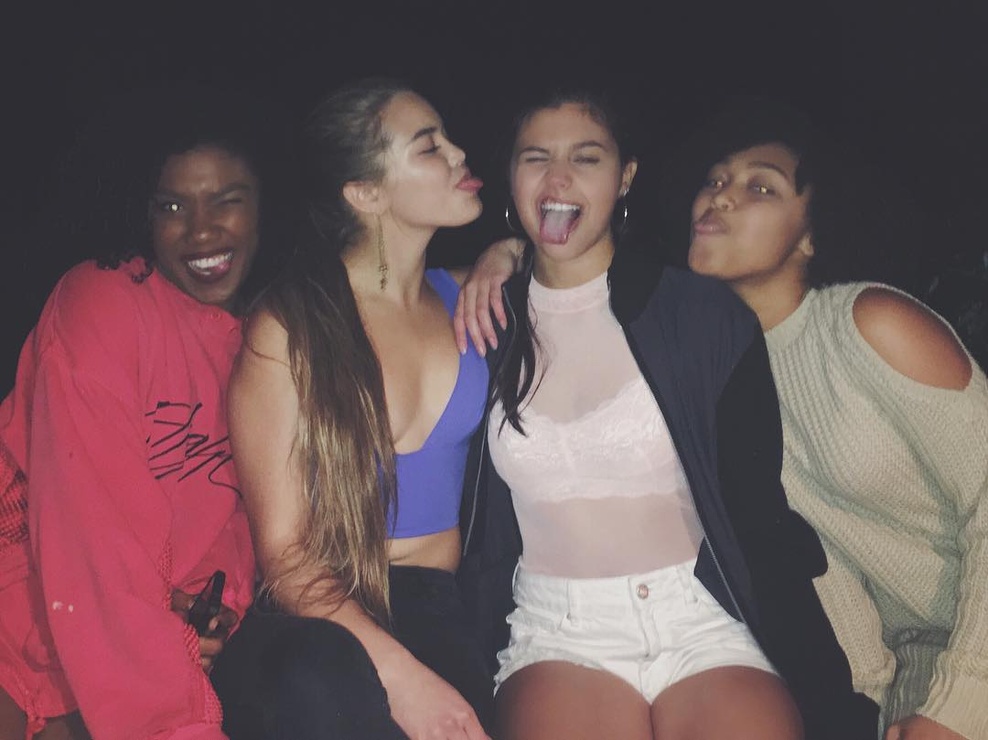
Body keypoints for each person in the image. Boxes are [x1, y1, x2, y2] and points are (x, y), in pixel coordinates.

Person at [453, 90, 877, 740]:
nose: (558, 178)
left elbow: (758, 511)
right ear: (511, 174)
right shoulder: (484, 319)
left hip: (702, 615)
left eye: (585, 158)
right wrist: (500, 252)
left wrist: (828, 687)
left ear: (624, 177)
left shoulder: (700, 317)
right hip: (558, 628)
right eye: (536, 157)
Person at [679, 100, 988, 740]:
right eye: (715, 179)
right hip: (924, 661)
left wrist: (964, 701)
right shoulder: (722, 382)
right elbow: (825, 567)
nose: (721, 196)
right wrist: (868, 708)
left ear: (810, 237)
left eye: (761, 187)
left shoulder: (870, 323)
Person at [0, 87, 293, 740]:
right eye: (172, 206)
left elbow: (239, 531)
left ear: (266, 207)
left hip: (142, 655)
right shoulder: (104, 302)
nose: (202, 230)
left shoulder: (269, 339)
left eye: (227, 199)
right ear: (140, 212)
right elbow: (89, 530)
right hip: (27, 629)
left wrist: (206, 617)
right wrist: (172, 708)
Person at [217, 78, 492, 740]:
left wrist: (506, 254)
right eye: (429, 146)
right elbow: (285, 555)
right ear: (366, 194)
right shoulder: (291, 327)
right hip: (321, 616)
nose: (459, 154)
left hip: (442, 607)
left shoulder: (470, 298)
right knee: (323, 688)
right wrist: (401, 679)